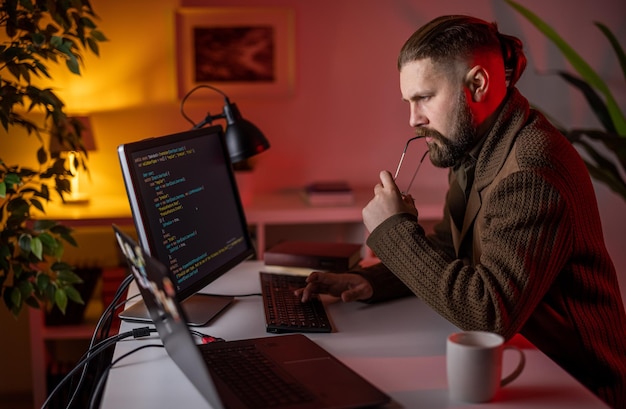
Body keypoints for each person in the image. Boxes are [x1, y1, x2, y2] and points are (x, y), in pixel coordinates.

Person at [295, 15, 626, 408]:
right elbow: (451, 248)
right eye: (409, 101)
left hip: (577, 389)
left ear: (478, 84)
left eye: (424, 98)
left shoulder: (532, 172)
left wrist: (394, 229)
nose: (413, 119)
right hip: (525, 365)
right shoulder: (476, 145)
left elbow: (487, 315)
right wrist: (369, 282)